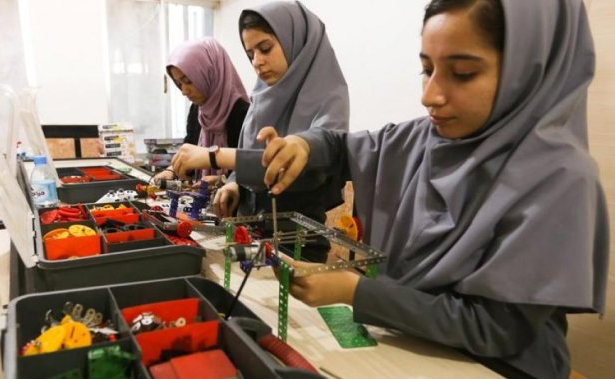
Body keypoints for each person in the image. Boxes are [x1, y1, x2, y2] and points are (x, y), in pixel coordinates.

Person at [230, 0, 610, 378]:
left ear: (529, 69)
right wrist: (303, 144)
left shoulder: (561, 179)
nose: (430, 95)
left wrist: (354, 292)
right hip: (416, 346)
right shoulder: (428, 138)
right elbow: (341, 147)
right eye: (426, 70)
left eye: (462, 73)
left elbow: (499, 330)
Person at [171, 1, 350, 262]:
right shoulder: (263, 97)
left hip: (297, 245)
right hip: (252, 233)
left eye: (265, 49)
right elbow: (251, 155)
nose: (257, 62)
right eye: (250, 53)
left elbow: (291, 162)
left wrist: (213, 156)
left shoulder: (330, 101)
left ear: (296, 41)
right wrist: (234, 184)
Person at [155, 37, 249, 184]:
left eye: (188, 81)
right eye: (179, 84)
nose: (184, 91)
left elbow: (250, 167)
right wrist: (172, 170)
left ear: (210, 73)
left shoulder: (242, 113)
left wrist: (223, 180)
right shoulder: (197, 110)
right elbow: (189, 152)